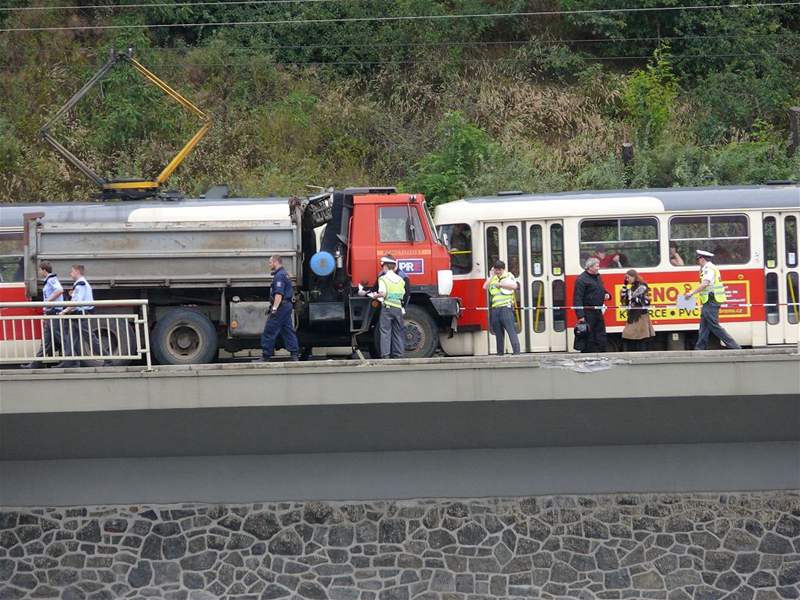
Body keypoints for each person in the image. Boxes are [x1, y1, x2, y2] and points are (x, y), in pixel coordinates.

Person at [684, 249, 741, 350]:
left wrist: (691, 293)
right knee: (704, 325)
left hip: (712, 300)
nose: (698, 262)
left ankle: (734, 346)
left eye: (698, 259)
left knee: (713, 325)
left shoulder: (709, 268)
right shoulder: (708, 268)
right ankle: (700, 347)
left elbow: (705, 283)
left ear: (702, 259)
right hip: (709, 300)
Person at [56, 264, 103, 368]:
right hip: (77, 316)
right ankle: (69, 362)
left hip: (81, 316)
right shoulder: (80, 284)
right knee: (71, 339)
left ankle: (108, 358)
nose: (70, 273)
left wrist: (64, 311)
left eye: (72, 271)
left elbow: (76, 302)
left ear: (77, 271)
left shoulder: (80, 284)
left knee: (90, 339)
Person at [257, 255, 300, 362]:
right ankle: (294, 355)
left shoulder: (279, 276)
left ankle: (265, 356)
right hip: (286, 306)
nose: (269, 264)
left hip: (281, 306)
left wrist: (274, 308)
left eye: (270, 262)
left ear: (276, 262)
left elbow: (278, 295)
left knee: (270, 330)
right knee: (287, 330)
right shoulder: (284, 274)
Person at [22, 261, 64, 369]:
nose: (39, 272)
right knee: (46, 340)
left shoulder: (51, 279)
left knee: (61, 338)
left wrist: (47, 302)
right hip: (50, 313)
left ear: (44, 270)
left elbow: (59, 290)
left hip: (53, 312)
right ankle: (37, 363)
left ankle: (71, 359)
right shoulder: (48, 280)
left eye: (40, 270)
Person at [370, 255, 406, 359]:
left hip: (387, 308)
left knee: (385, 332)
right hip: (398, 308)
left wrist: (375, 295)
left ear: (385, 266)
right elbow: (402, 294)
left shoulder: (383, 279)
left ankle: (385, 355)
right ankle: (399, 355)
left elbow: (383, 293)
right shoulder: (400, 279)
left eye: (383, 266)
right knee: (398, 332)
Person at [573, 257, 611, 353]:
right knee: (589, 335)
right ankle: (588, 354)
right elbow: (577, 298)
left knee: (600, 334)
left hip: (598, 311)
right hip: (588, 311)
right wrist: (580, 315)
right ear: (590, 267)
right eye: (596, 265)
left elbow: (601, 289)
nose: (598, 267)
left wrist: (607, 295)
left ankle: (601, 352)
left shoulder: (597, 277)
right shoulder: (582, 280)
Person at [482, 260, 520, 355]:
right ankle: (500, 353)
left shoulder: (509, 276)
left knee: (511, 331)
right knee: (498, 333)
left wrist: (501, 285)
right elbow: (484, 287)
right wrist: (491, 276)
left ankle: (516, 352)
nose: (498, 272)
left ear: (503, 269)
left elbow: (514, 286)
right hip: (495, 309)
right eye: (496, 270)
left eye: (499, 270)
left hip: (506, 308)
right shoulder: (493, 278)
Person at [620, 269, 655, 351]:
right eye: (626, 278)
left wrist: (630, 297)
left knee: (641, 336)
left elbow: (635, 298)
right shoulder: (630, 288)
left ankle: (642, 355)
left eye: (628, 277)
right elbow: (623, 299)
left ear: (634, 277)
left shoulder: (642, 285)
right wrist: (624, 286)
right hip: (632, 314)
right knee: (631, 335)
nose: (627, 279)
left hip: (640, 314)